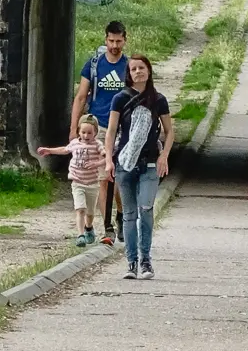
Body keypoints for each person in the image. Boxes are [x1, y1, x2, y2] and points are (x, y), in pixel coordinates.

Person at [104, 55, 174, 280]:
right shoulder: (119, 99)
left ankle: (146, 260)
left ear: (149, 71)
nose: (138, 72)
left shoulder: (159, 100)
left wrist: (164, 155)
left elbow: (169, 130)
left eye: (141, 68)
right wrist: (108, 159)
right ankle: (131, 262)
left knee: (146, 210)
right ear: (128, 74)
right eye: (133, 69)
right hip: (125, 163)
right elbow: (112, 130)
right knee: (129, 213)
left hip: (150, 163)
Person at [71, 21, 128, 245]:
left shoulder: (130, 66)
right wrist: (73, 129)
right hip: (100, 128)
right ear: (105, 40)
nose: (114, 45)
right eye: (111, 41)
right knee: (104, 178)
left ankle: (121, 214)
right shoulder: (93, 66)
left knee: (120, 178)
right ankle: (108, 225)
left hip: (124, 128)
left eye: (118, 41)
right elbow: (81, 97)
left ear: (125, 40)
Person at [38, 115, 107, 247]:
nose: (86, 135)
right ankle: (80, 235)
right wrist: (49, 150)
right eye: (83, 132)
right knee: (80, 209)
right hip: (78, 182)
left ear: (96, 133)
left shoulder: (98, 145)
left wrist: (97, 163)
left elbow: (106, 157)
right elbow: (64, 150)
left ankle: (89, 227)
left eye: (90, 133)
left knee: (90, 212)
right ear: (79, 132)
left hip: (92, 183)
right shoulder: (75, 143)